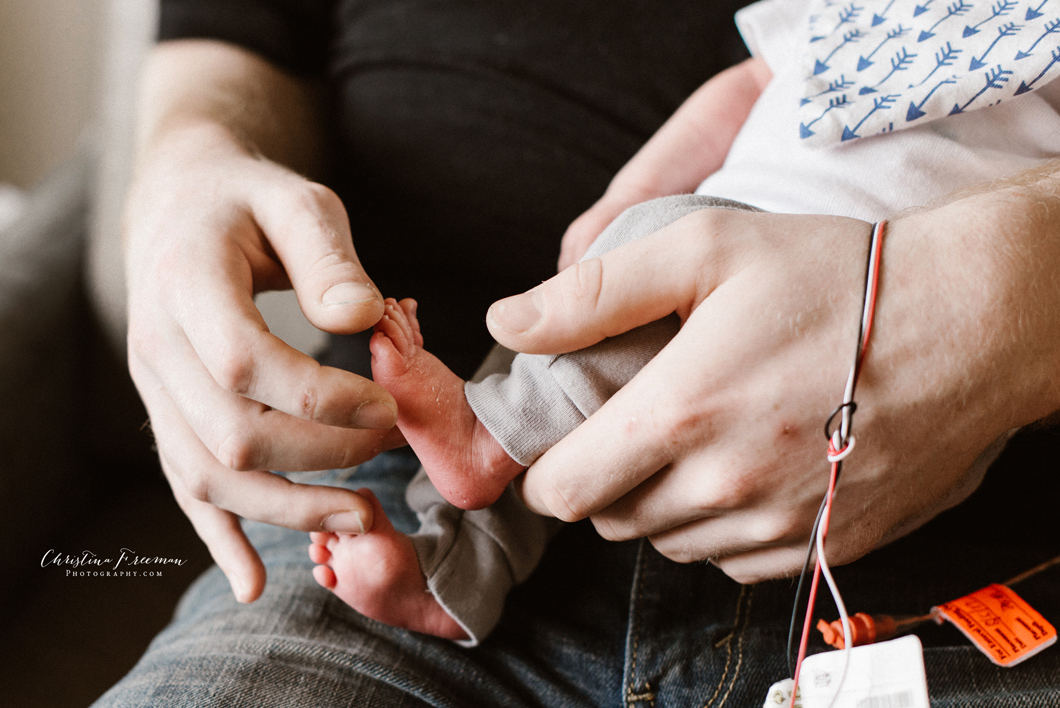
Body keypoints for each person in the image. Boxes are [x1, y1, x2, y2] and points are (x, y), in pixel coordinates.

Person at [97, 0, 1060, 704]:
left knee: (622, 304)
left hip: (964, 529)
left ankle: (482, 448)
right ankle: (451, 568)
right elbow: (746, 90)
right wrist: (183, 172)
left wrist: (1015, 297)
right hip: (407, 452)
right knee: (592, 330)